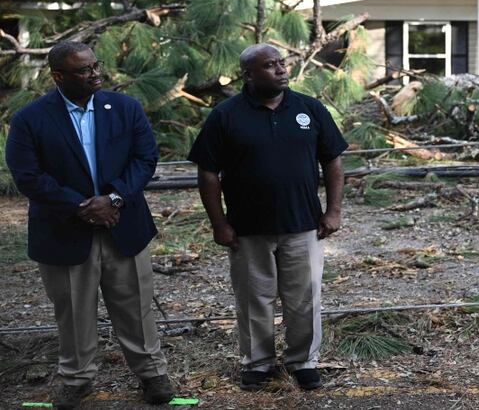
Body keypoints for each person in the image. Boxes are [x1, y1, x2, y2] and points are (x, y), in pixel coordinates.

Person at [4, 41, 175, 409]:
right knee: (74, 310)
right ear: (58, 76)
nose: (95, 73)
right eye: (84, 70)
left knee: (136, 306)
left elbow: (145, 159)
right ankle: (77, 379)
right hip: (65, 230)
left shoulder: (125, 107)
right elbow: (28, 175)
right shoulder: (30, 119)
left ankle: (151, 374)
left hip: (123, 225)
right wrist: (83, 207)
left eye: (96, 65)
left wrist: (112, 199)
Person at [187, 43, 346, 392]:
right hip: (247, 228)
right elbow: (208, 173)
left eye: (282, 63)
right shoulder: (226, 115)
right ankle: (257, 363)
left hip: (303, 224)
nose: (280, 70)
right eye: (270, 65)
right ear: (248, 74)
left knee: (304, 298)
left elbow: (332, 161)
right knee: (253, 299)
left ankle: (303, 362)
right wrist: (219, 222)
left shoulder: (310, 109)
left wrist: (333, 211)